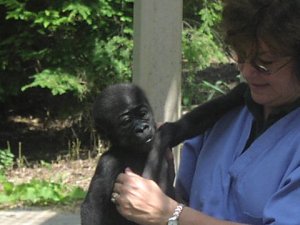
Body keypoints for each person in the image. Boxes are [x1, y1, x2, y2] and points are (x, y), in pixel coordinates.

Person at [111, 0, 300, 224]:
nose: (247, 72)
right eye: (240, 55)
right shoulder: (223, 117)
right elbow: (188, 202)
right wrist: (160, 177)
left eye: (264, 63)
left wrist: (169, 213)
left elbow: (177, 214)